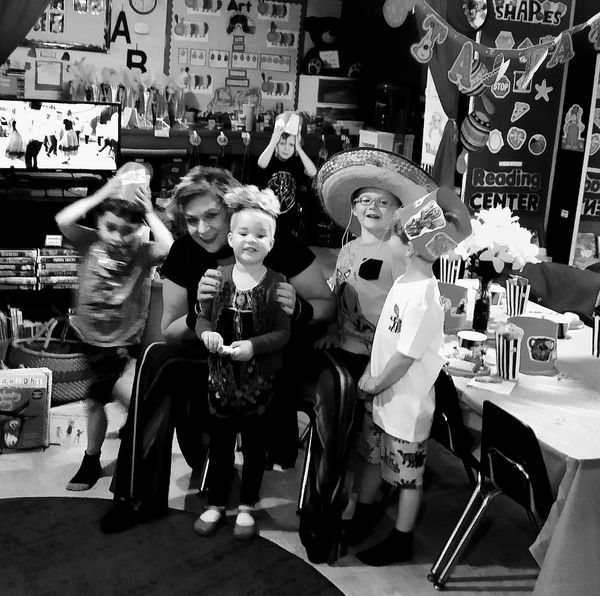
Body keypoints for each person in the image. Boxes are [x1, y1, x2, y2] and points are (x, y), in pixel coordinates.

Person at [100, 165, 335, 534]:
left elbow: (326, 304)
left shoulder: (272, 239)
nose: (202, 228)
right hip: (210, 355)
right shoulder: (185, 252)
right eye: (191, 220)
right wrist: (201, 312)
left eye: (211, 215)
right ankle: (134, 495)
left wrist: (299, 309)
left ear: (233, 208)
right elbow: (170, 330)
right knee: (155, 358)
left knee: (332, 381)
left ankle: (321, 514)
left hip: (272, 356)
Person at [347, 187, 472, 566]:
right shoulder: (404, 284)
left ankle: (402, 538)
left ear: (411, 246)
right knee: (372, 456)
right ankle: (365, 512)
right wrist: (372, 373)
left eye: (396, 233)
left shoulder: (425, 298)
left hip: (405, 403)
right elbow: (386, 339)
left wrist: (374, 382)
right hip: (383, 396)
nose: (389, 236)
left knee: (407, 475)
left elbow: (405, 357)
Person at [55, 162, 174, 492]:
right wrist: (103, 194)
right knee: (97, 400)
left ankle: (109, 456)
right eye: (110, 227)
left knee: (108, 400)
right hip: (89, 338)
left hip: (122, 342)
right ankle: (102, 452)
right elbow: (63, 220)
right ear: (98, 223)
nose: (118, 237)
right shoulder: (89, 242)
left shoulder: (142, 253)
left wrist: (148, 212)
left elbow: (170, 248)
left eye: (127, 230)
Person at [194, 185, 291, 539]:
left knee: (254, 448)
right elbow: (202, 318)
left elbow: (283, 333)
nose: (252, 240)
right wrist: (206, 334)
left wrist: (253, 346)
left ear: (271, 243)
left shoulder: (277, 284)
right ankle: (216, 503)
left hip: (258, 385)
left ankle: (248, 504)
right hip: (219, 384)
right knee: (219, 447)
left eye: (261, 235)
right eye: (244, 233)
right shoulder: (216, 277)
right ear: (231, 238)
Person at [256, 111, 317, 234]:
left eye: (291, 144)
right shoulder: (269, 160)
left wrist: (299, 148)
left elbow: (313, 172)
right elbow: (261, 163)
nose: (286, 148)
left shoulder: (296, 162)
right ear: (276, 144)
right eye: (282, 143)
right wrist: (273, 141)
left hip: (290, 220)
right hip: (268, 218)